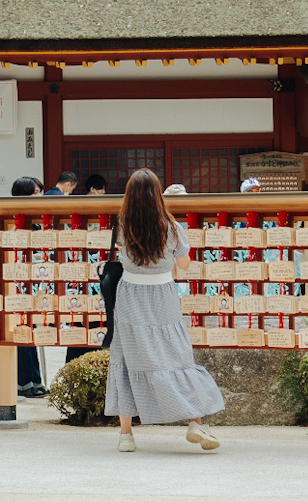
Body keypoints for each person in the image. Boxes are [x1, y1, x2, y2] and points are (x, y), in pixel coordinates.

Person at [105, 168, 224, 453]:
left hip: (131, 295)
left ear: (129, 196)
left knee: (126, 357)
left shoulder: (123, 226)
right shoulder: (171, 227)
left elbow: (122, 256)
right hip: (163, 296)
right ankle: (195, 421)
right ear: (159, 195)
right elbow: (183, 265)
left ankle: (126, 435)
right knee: (178, 356)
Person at [11, 175, 49, 396]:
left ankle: (35, 380)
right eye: (35, 192)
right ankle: (25, 382)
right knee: (22, 333)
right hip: (18, 284)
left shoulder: (35, 221)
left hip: (33, 283)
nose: (40, 196)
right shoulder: (14, 222)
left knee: (31, 331)